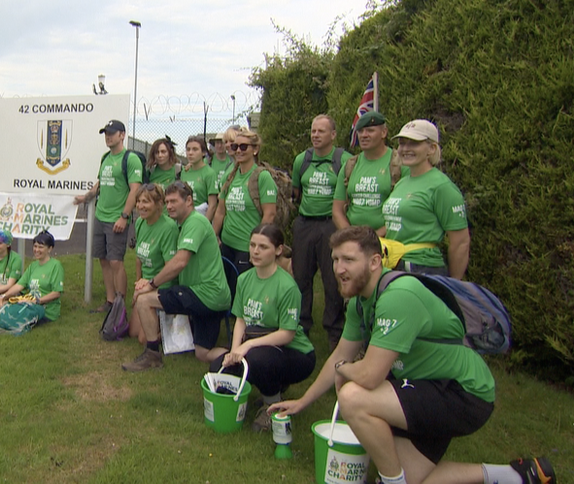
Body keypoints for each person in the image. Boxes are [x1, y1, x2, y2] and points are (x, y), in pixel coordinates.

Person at [270, 226, 554, 484]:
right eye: (335, 259)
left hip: (464, 392)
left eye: (348, 260)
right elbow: (339, 354)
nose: (339, 268)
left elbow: (369, 375)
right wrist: (303, 402)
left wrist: (345, 369)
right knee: (412, 477)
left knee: (353, 397)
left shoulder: (399, 296)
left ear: (374, 262)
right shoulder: (360, 302)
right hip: (426, 387)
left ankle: (393, 482)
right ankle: (515, 475)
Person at [209, 224, 315, 432]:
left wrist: (247, 346)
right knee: (217, 369)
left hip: (296, 354)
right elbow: (240, 319)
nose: (255, 251)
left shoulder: (287, 287)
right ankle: (265, 388)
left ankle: (273, 407)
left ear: (278, 250)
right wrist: (233, 350)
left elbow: (287, 333)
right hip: (260, 347)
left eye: (263, 247)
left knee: (258, 360)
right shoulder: (244, 279)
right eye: (252, 245)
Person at [123, 181, 230, 371]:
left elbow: (180, 262)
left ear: (189, 201)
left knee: (144, 300)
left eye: (174, 202)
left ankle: (152, 356)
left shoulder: (195, 222)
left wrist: (151, 284)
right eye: (168, 202)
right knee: (202, 353)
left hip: (204, 294)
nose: (170, 206)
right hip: (211, 298)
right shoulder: (182, 223)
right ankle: (239, 355)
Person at [291, 114, 352, 349]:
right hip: (305, 223)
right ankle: (300, 326)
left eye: (321, 131)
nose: (315, 135)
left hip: (331, 224)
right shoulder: (302, 160)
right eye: (313, 131)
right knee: (301, 277)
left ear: (333, 135)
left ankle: (334, 331)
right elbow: (296, 192)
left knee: (332, 278)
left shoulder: (343, 160)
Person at [383, 119, 470, 278]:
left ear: (432, 148)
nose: (405, 149)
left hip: (422, 268)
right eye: (402, 143)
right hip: (393, 264)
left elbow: (460, 242)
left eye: (414, 143)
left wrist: (452, 285)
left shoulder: (441, 186)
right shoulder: (402, 182)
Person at [73, 119, 143, 314]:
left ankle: (120, 305)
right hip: (101, 216)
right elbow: (100, 183)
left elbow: (135, 190)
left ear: (122, 135)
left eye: (112, 133)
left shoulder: (130, 159)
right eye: (106, 133)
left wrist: (124, 216)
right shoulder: (105, 158)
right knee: (103, 259)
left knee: (116, 261)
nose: (108, 136)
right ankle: (110, 301)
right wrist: (86, 197)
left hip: (116, 218)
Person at [212, 127, 276, 275]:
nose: (238, 151)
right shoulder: (230, 176)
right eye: (235, 147)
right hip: (227, 245)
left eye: (243, 146)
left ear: (255, 149)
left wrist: (257, 245)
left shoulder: (262, 177)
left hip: (247, 247)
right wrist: (214, 236)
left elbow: (270, 214)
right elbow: (220, 211)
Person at [333, 111, 403, 235]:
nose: (364, 135)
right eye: (360, 131)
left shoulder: (399, 164)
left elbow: (405, 213)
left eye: (370, 131)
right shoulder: (350, 165)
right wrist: (351, 237)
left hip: (388, 242)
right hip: (354, 242)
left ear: (384, 133)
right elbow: (337, 210)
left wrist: (373, 239)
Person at [130, 183, 178, 342]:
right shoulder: (140, 223)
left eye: (146, 202)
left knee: (144, 339)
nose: (140, 206)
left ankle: (174, 332)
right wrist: (138, 283)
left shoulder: (168, 228)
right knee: (133, 332)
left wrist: (149, 285)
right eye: (139, 201)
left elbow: (170, 267)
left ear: (159, 204)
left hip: (161, 285)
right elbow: (138, 258)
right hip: (145, 284)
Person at [179, 136, 219, 221]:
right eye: (188, 149)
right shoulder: (185, 171)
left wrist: (204, 226)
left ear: (203, 152)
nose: (190, 153)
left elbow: (212, 205)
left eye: (195, 149)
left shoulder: (209, 173)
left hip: (201, 217)